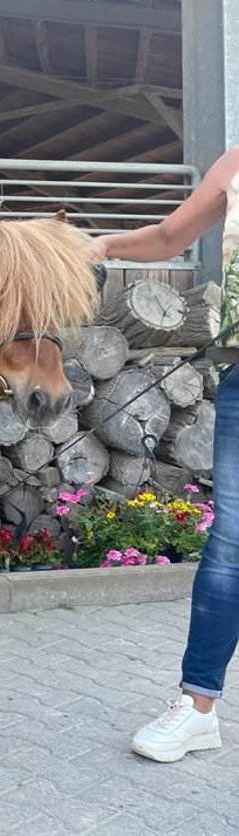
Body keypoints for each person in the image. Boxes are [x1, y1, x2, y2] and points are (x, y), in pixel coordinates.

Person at [89, 144, 239, 762]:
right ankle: (197, 707)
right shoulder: (234, 165)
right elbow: (169, 234)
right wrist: (102, 245)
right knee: (230, 547)